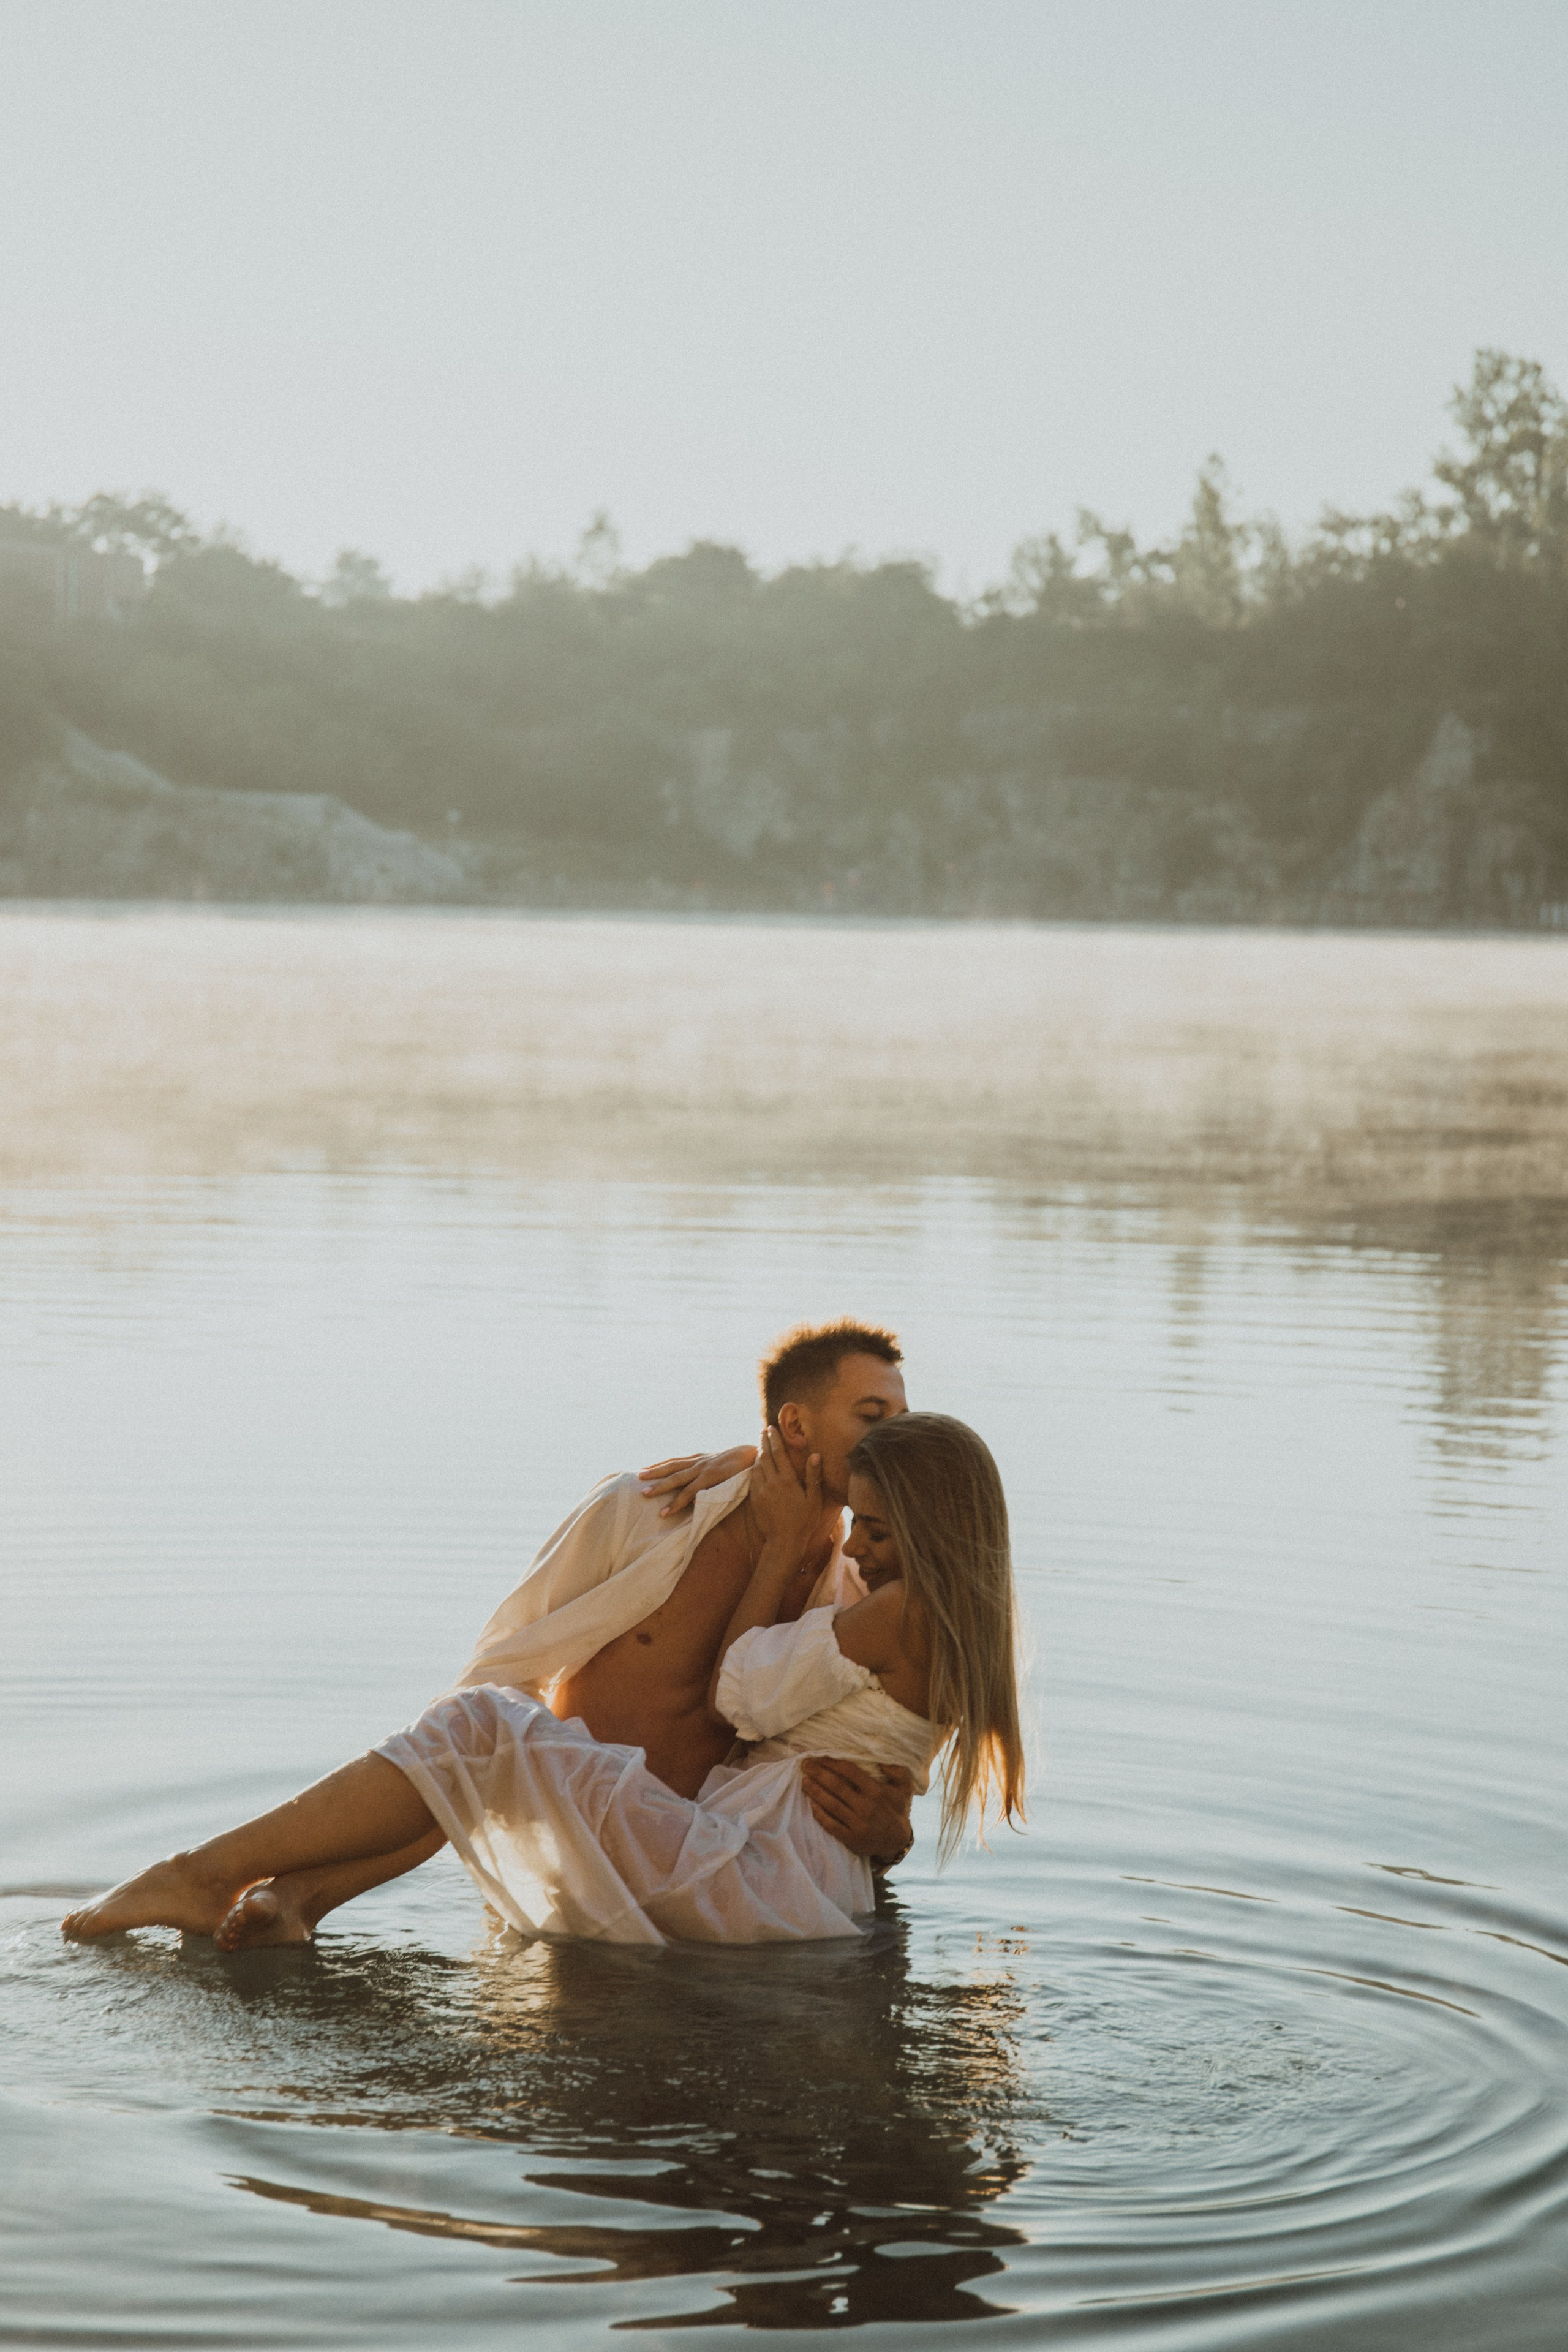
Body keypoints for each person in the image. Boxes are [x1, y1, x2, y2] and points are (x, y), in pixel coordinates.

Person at [62, 1412, 1024, 1947]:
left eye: (881, 1530)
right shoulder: (961, 1618)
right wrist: (747, 1465)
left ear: (932, 1532)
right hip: (804, 1879)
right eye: (854, 1515)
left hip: (763, 1877)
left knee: (484, 1721)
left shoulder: (892, 1609)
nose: (858, 1542)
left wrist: (772, 1553)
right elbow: (877, 1744)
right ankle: (291, 1898)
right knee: (488, 1740)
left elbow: (741, 1694)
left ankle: (205, 1874)